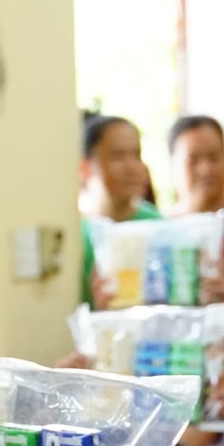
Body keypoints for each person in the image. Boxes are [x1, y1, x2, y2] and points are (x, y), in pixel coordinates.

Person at [79, 112, 162, 306]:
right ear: (86, 168)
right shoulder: (77, 235)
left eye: (137, 155)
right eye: (118, 156)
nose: (132, 167)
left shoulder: (158, 227)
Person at [170, 114, 224, 287]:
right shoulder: (162, 231)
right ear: (173, 165)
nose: (205, 169)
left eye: (214, 158)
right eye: (193, 160)